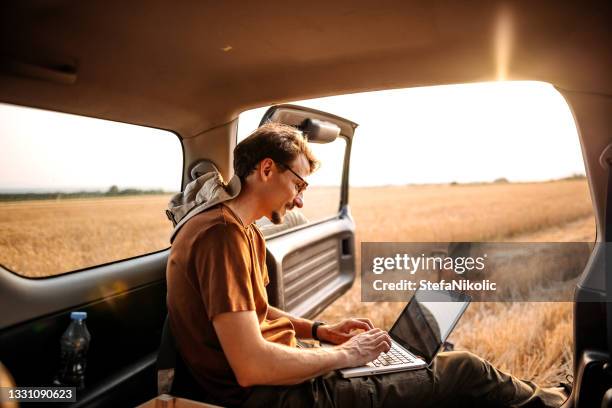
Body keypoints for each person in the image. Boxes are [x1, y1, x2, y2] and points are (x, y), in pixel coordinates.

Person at [166, 122, 566, 407]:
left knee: (435, 356)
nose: (300, 201)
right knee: (462, 369)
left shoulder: (241, 229)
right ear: (267, 169)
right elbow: (252, 366)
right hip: (274, 396)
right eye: (299, 185)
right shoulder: (222, 235)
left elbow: (255, 310)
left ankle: (550, 398)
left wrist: (324, 331)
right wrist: (346, 356)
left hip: (278, 378)